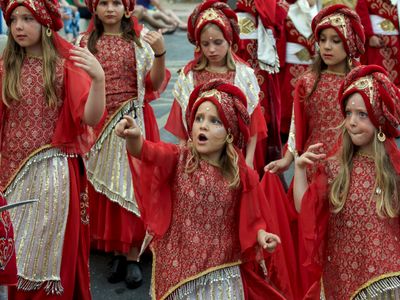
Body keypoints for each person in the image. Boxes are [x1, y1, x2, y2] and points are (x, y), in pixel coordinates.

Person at [116, 79, 284, 300]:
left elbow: (252, 217)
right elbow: (146, 152)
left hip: (221, 270)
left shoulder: (242, 174)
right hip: (177, 267)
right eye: (199, 119)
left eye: (215, 121)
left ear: (230, 133)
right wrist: (135, 137)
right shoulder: (178, 158)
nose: (203, 125)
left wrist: (262, 236)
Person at [0, 0, 106, 298]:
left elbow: (90, 117)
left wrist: (98, 80)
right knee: (17, 256)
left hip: (54, 175)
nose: (19, 26)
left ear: (46, 24)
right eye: (13, 20)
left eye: (27, 19)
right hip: (12, 177)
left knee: (49, 258)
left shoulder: (65, 65)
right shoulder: (5, 65)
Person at [79, 0, 170, 289]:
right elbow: (79, 86)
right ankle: (117, 251)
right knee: (108, 188)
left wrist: (160, 54)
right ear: (94, 8)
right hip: (99, 125)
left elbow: (153, 84)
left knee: (136, 186)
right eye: (103, 3)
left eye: (116, 2)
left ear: (127, 8)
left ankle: (133, 255)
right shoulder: (84, 43)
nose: (109, 9)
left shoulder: (141, 42)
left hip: (134, 121)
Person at [293, 64, 400, 298]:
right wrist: (299, 169)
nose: (352, 122)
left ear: (380, 118)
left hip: (386, 281)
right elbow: (305, 208)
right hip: (340, 278)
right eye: (348, 113)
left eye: (362, 114)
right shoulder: (335, 168)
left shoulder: (395, 171)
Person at [265, 4, 365, 181]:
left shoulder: (360, 81)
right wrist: (287, 160)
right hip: (314, 163)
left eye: (335, 40)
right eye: (323, 39)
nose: (326, 46)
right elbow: (297, 126)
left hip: (351, 161)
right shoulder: (307, 81)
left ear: (349, 42)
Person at [165, 0, 267, 170]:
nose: (212, 49)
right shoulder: (190, 75)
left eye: (218, 42)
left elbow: (253, 123)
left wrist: (249, 160)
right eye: (205, 44)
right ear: (199, 45)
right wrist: (182, 156)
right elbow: (182, 124)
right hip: (197, 155)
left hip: (232, 157)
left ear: (229, 41)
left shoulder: (243, 74)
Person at [235, 0, 288, 166]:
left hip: (258, 51)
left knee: (258, 110)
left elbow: (275, 15)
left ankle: (256, 169)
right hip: (231, 47)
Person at [278, 0, 317, 143]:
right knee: (288, 100)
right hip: (290, 66)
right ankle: (285, 134)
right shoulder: (288, 13)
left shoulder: (317, 14)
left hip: (312, 66)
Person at [356, 0, 400, 87]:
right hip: (377, 42)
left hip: (396, 43)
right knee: (376, 75)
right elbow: (362, 16)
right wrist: (369, 36)